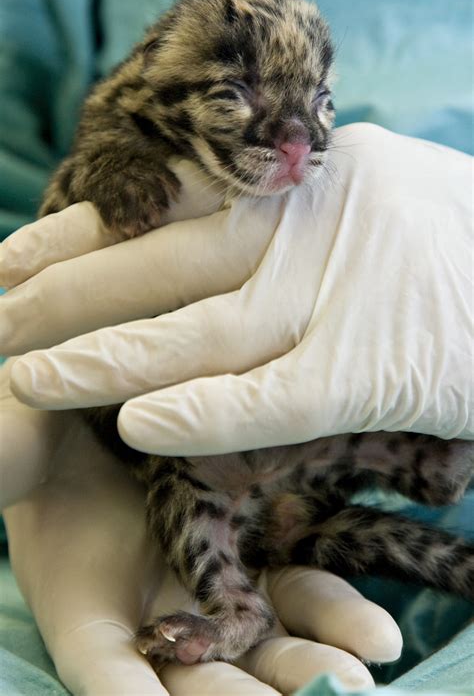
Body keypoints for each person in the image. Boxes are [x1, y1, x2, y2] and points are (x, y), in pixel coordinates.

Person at [1, 123, 472, 695]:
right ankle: (237, 607)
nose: (296, 140)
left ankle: (427, 462)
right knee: (196, 458)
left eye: (318, 101)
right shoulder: (127, 114)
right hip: (206, 455)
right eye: (237, 91)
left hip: (317, 422)